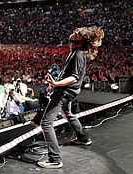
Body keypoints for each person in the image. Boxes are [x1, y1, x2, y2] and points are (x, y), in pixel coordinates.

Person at [37, 26, 104, 168]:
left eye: (77, 35)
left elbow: (74, 77)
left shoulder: (78, 54)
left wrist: (56, 83)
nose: (74, 35)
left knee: (46, 123)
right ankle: (83, 138)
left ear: (82, 40)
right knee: (67, 113)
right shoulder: (75, 51)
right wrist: (55, 84)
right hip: (67, 90)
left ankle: (55, 159)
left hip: (65, 92)